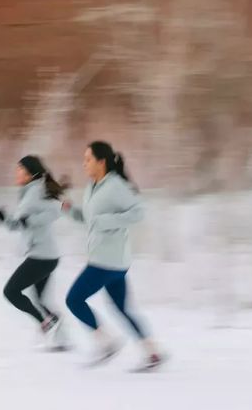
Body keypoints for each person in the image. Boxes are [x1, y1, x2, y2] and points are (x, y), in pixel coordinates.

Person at [62, 141, 162, 371]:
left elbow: (138, 212)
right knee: (122, 309)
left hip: (105, 260)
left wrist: (107, 222)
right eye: (84, 159)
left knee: (74, 300)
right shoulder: (92, 186)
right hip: (113, 261)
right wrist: (68, 210)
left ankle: (106, 342)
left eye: (88, 159)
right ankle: (153, 353)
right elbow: (90, 219)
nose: (84, 163)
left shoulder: (116, 186)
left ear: (101, 161)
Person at [0, 155, 67, 347]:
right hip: (47, 255)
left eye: (20, 170)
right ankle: (63, 340)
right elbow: (20, 223)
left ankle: (44, 323)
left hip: (41, 256)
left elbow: (56, 210)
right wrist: (6, 219)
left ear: (30, 173)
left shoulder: (35, 191)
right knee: (41, 300)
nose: (16, 173)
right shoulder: (32, 190)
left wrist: (22, 221)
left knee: (11, 292)